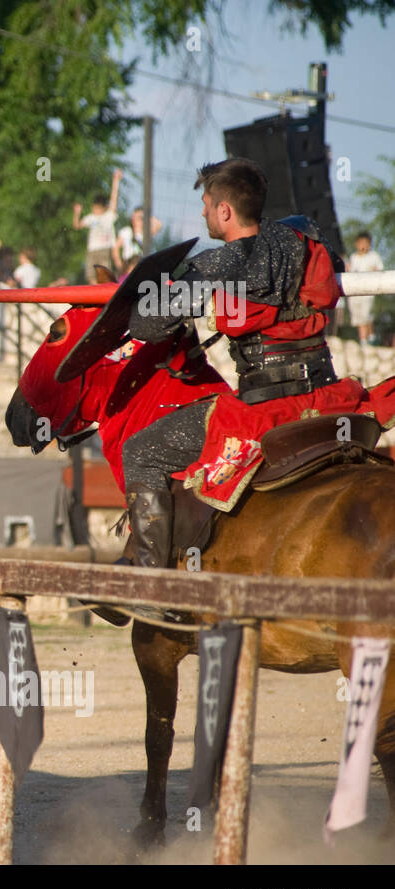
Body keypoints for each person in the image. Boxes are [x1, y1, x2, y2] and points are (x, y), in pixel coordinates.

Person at [119, 157, 383, 589]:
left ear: (225, 211)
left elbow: (144, 325)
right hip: (329, 394)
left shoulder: (220, 264)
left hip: (266, 408)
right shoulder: (303, 243)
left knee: (141, 452)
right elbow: (336, 263)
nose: (203, 212)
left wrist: (156, 289)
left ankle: (151, 589)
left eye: (206, 204)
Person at [72, 168, 122, 281]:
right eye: (94, 208)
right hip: (92, 250)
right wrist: (77, 213)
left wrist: (116, 180)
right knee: (91, 276)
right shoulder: (91, 218)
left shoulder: (109, 216)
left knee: (104, 276)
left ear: (104, 207)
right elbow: (77, 226)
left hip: (104, 250)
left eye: (98, 208)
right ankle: (93, 297)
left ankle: (104, 296)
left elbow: (113, 199)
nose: (95, 210)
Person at [347, 232, 384, 345]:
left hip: (368, 292)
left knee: (366, 314)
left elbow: (381, 270)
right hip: (355, 292)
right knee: (357, 316)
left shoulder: (374, 256)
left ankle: (369, 338)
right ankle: (363, 339)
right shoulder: (353, 257)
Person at [115, 206, 163, 274]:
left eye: (140, 218)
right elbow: (115, 249)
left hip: (142, 265)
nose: (136, 219)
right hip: (128, 265)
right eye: (134, 217)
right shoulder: (126, 231)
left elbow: (159, 225)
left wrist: (148, 217)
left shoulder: (147, 234)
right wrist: (120, 265)